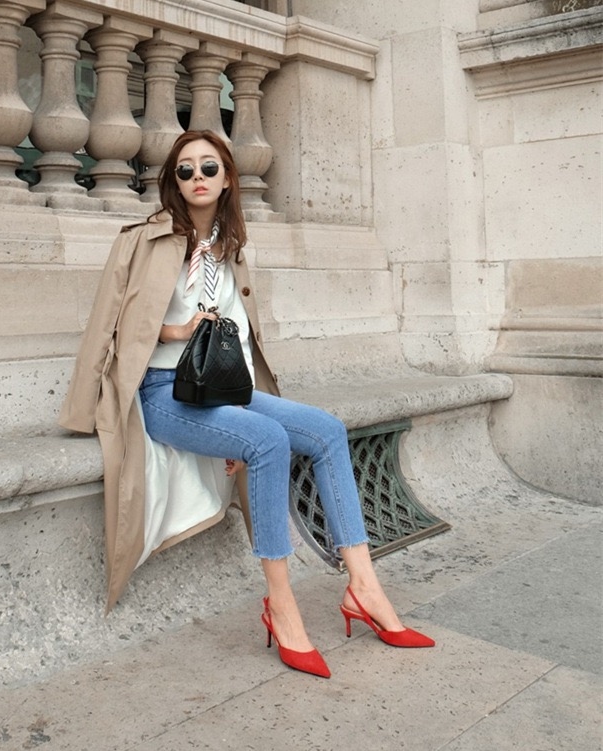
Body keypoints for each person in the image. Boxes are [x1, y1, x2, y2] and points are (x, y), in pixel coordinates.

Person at [59, 129, 434, 679]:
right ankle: (281, 605)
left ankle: (364, 587)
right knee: (268, 440)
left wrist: (235, 409)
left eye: (209, 168)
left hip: (221, 390)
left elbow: (240, 337)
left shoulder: (231, 248)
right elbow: (108, 326)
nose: (198, 178)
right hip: (162, 392)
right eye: (185, 170)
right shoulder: (142, 240)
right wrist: (173, 332)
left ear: (228, 178)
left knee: (328, 431)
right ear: (173, 182)